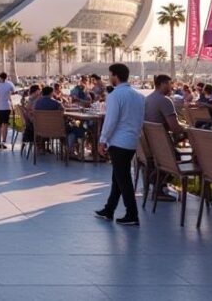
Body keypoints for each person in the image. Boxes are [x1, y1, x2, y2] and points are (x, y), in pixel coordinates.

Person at [93, 63, 144, 227]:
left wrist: (102, 140)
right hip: (131, 141)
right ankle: (109, 209)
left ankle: (132, 214)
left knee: (123, 179)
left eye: (110, 75)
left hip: (118, 142)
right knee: (118, 177)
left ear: (115, 75)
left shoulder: (115, 95)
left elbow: (111, 121)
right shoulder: (138, 96)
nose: (109, 78)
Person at [33, 86, 83, 153]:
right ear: (51, 93)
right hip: (58, 130)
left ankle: (68, 147)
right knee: (75, 127)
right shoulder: (56, 103)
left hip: (41, 129)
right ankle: (70, 149)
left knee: (71, 126)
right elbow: (63, 112)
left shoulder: (37, 103)